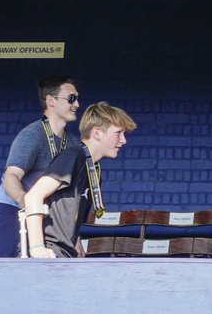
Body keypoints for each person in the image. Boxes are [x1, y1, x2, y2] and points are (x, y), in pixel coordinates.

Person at [0, 75, 82, 257]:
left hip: (47, 216)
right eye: (71, 99)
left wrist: (76, 238)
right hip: (12, 210)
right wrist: (25, 200)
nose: (77, 105)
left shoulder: (74, 143)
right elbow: (11, 176)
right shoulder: (32, 134)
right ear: (50, 100)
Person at [22, 102, 136, 259]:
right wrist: (37, 248)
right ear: (97, 133)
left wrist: (76, 241)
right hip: (49, 253)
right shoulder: (73, 156)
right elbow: (33, 196)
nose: (123, 140)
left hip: (64, 252)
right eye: (118, 133)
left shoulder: (92, 169)